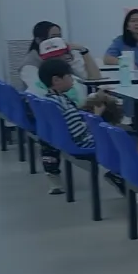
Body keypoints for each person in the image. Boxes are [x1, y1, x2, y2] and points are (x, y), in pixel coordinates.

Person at [35, 57, 98, 193]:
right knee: (127, 139)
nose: (73, 80)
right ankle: (121, 178)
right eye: (69, 76)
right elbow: (78, 131)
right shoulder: (62, 102)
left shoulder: (49, 100)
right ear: (56, 80)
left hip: (63, 142)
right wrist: (97, 117)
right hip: (84, 142)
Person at [21, 20, 99, 81]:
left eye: (59, 37)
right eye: (53, 37)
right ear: (39, 40)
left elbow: (95, 78)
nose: (58, 41)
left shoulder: (66, 55)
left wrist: (84, 51)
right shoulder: (30, 65)